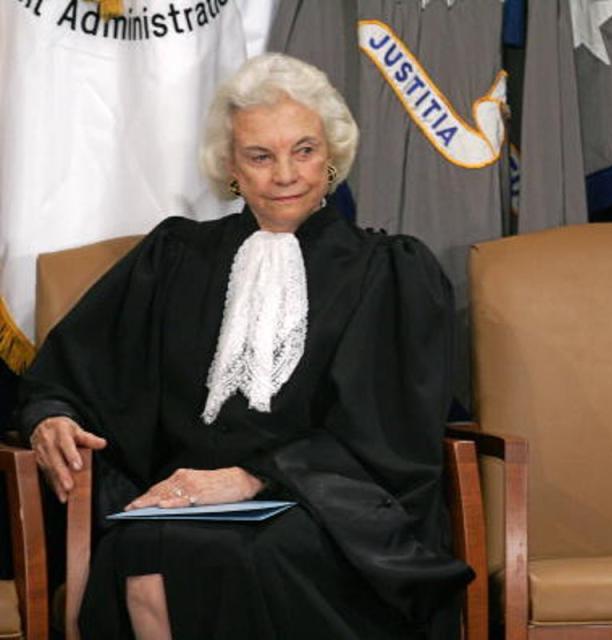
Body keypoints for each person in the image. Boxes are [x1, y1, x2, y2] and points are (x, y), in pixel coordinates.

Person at [17, 53, 472, 639]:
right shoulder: (175, 258)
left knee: (251, 555)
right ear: (230, 167)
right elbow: (74, 369)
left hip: (333, 513)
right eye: (260, 156)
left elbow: (390, 434)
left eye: (303, 150)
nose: (285, 174)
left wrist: (254, 477)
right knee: (141, 545)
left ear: (331, 156)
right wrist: (51, 415)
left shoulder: (387, 271)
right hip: (183, 504)